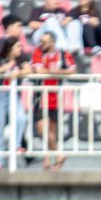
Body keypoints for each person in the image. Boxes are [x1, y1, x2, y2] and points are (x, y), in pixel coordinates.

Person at [0, 36, 32, 172]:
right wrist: (4, 68)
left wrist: (18, 72)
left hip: (12, 95)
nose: (20, 49)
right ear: (10, 48)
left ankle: (16, 145)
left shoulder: (20, 60)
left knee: (21, 118)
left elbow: (28, 69)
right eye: (18, 46)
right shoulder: (0, 59)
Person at [31, 31, 76, 170]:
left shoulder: (63, 54)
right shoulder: (38, 52)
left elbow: (72, 70)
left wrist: (57, 72)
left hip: (56, 98)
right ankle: (58, 154)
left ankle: (47, 161)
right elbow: (39, 71)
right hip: (40, 97)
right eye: (41, 41)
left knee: (51, 131)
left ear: (52, 42)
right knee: (41, 128)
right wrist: (54, 71)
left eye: (44, 42)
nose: (41, 44)